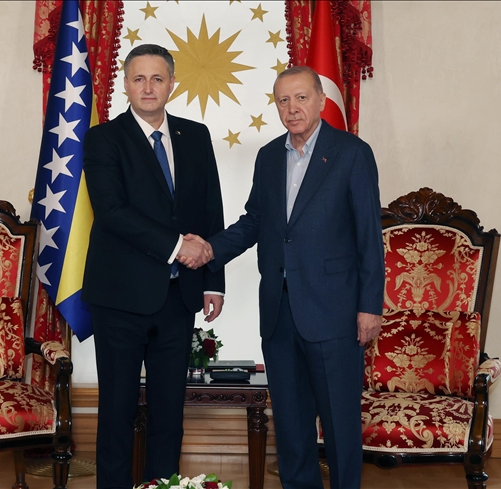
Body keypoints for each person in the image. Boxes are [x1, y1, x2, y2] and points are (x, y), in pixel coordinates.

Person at [188, 66, 385, 489]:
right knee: (292, 428)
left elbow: (370, 235)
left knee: (340, 425)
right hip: (279, 312)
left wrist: (370, 306)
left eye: (300, 98)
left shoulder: (352, 153)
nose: (292, 108)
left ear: (320, 100)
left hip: (334, 312)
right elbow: (255, 221)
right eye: (283, 100)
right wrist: (208, 248)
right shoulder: (269, 155)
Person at [81, 44, 226, 489]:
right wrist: (177, 246)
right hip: (120, 299)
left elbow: (209, 211)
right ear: (125, 84)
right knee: (118, 411)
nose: (148, 87)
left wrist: (213, 282)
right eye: (139, 78)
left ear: (172, 84)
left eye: (157, 78)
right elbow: (112, 211)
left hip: (177, 299)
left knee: (169, 412)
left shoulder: (196, 136)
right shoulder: (104, 139)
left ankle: (160, 486)